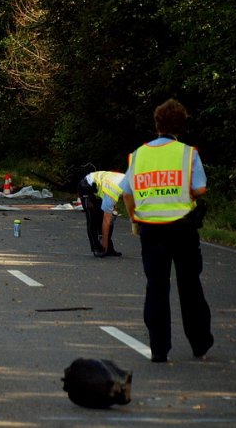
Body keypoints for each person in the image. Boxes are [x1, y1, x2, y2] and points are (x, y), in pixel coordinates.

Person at [121, 98, 213, 363]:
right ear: (181, 125)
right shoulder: (188, 154)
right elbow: (199, 189)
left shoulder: (139, 155)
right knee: (190, 286)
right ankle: (200, 345)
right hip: (183, 228)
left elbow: (127, 194)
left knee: (157, 288)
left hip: (151, 230)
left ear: (156, 123)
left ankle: (159, 350)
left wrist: (135, 219)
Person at [77, 170, 125, 257]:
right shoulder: (113, 191)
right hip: (86, 186)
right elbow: (106, 221)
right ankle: (98, 248)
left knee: (109, 218)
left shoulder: (129, 183)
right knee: (94, 218)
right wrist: (104, 246)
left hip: (102, 188)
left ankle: (108, 248)